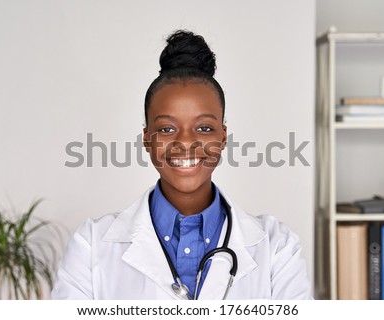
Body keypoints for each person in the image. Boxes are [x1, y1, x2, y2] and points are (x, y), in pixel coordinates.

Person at [51, 30, 312, 300]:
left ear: (223, 137)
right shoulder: (91, 245)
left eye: (203, 127)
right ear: (147, 140)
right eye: (166, 128)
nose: (185, 142)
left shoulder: (277, 247)